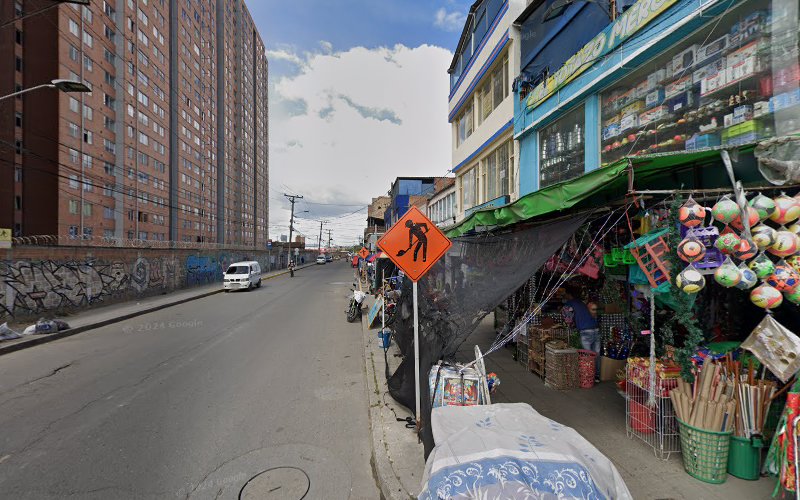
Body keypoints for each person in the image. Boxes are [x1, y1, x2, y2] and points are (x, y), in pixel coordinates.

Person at [563, 286, 600, 382]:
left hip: (586, 331)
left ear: (569, 294)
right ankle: (596, 376)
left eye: (565, 293)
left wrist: (570, 325)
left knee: (588, 355)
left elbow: (568, 319)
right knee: (596, 354)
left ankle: (588, 377)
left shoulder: (569, 304)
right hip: (595, 329)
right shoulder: (581, 303)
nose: (564, 295)